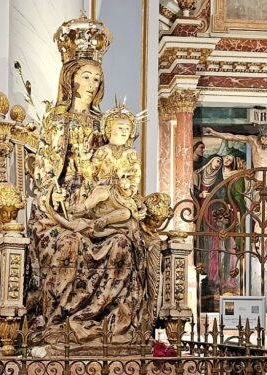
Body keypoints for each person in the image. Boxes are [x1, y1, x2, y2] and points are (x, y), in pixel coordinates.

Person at [26, 15, 160, 348]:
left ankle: (113, 328)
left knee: (124, 243)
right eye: (85, 75)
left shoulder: (105, 123)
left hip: (100, 203)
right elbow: (45, 167)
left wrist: (122, 195)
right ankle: (62, 324)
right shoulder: (57, 120)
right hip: (62, 204)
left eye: (96, 77)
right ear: (70, 78)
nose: (91, 82)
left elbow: (117, 167)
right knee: (69, 243)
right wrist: (53, 192)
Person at [72, 103, 145, 233]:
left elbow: (135, 178)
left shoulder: (132, 154)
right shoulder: (103, 151)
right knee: (103, 193)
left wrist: (128, 187)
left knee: (127, 213)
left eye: (127, 128)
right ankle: (83, 207)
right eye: (120, 127)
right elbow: (90, 173)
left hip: (121, 194)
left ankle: (104, 220)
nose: (124, 131)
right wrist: (84, 159)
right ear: (109, 128)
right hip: (102, 189)